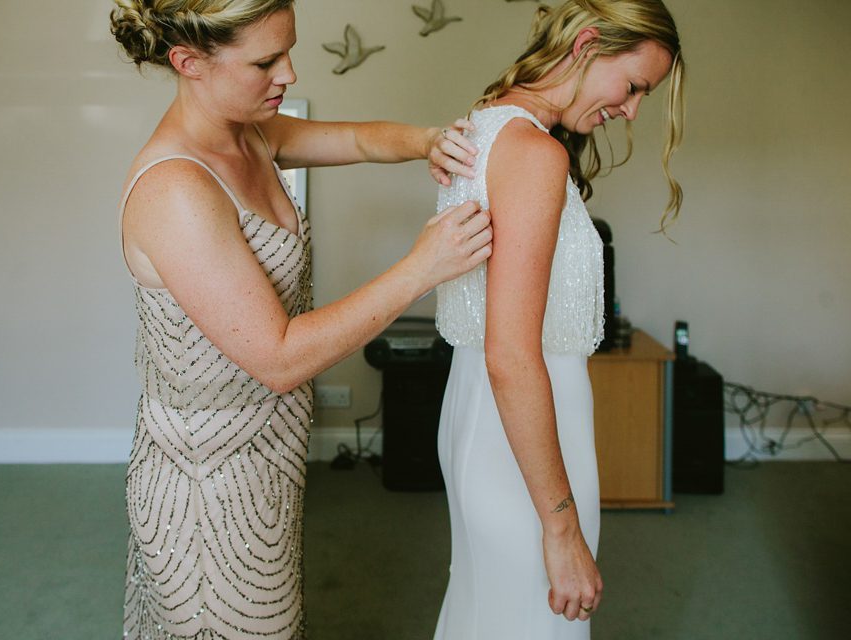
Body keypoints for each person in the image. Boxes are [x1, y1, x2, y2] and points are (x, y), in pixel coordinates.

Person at [109, 1, 492, 638]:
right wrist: (422, 268)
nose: (288, 72)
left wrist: (426, 140)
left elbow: (359, 139)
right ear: (188, 62)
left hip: (267, 461)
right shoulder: (176, 189)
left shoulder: (250, 133)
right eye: (265, 60)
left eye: (288, 50)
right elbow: (279, 358)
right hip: (211, 491)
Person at [431, 1, 685, 638]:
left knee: (491, 613)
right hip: (524, 430)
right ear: (589, 43)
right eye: (633, 88)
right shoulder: (532, 152)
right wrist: (562, 526)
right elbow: (512, 354)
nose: (630, 111)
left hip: (484, 416)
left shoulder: (485, 124)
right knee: (536, 622)